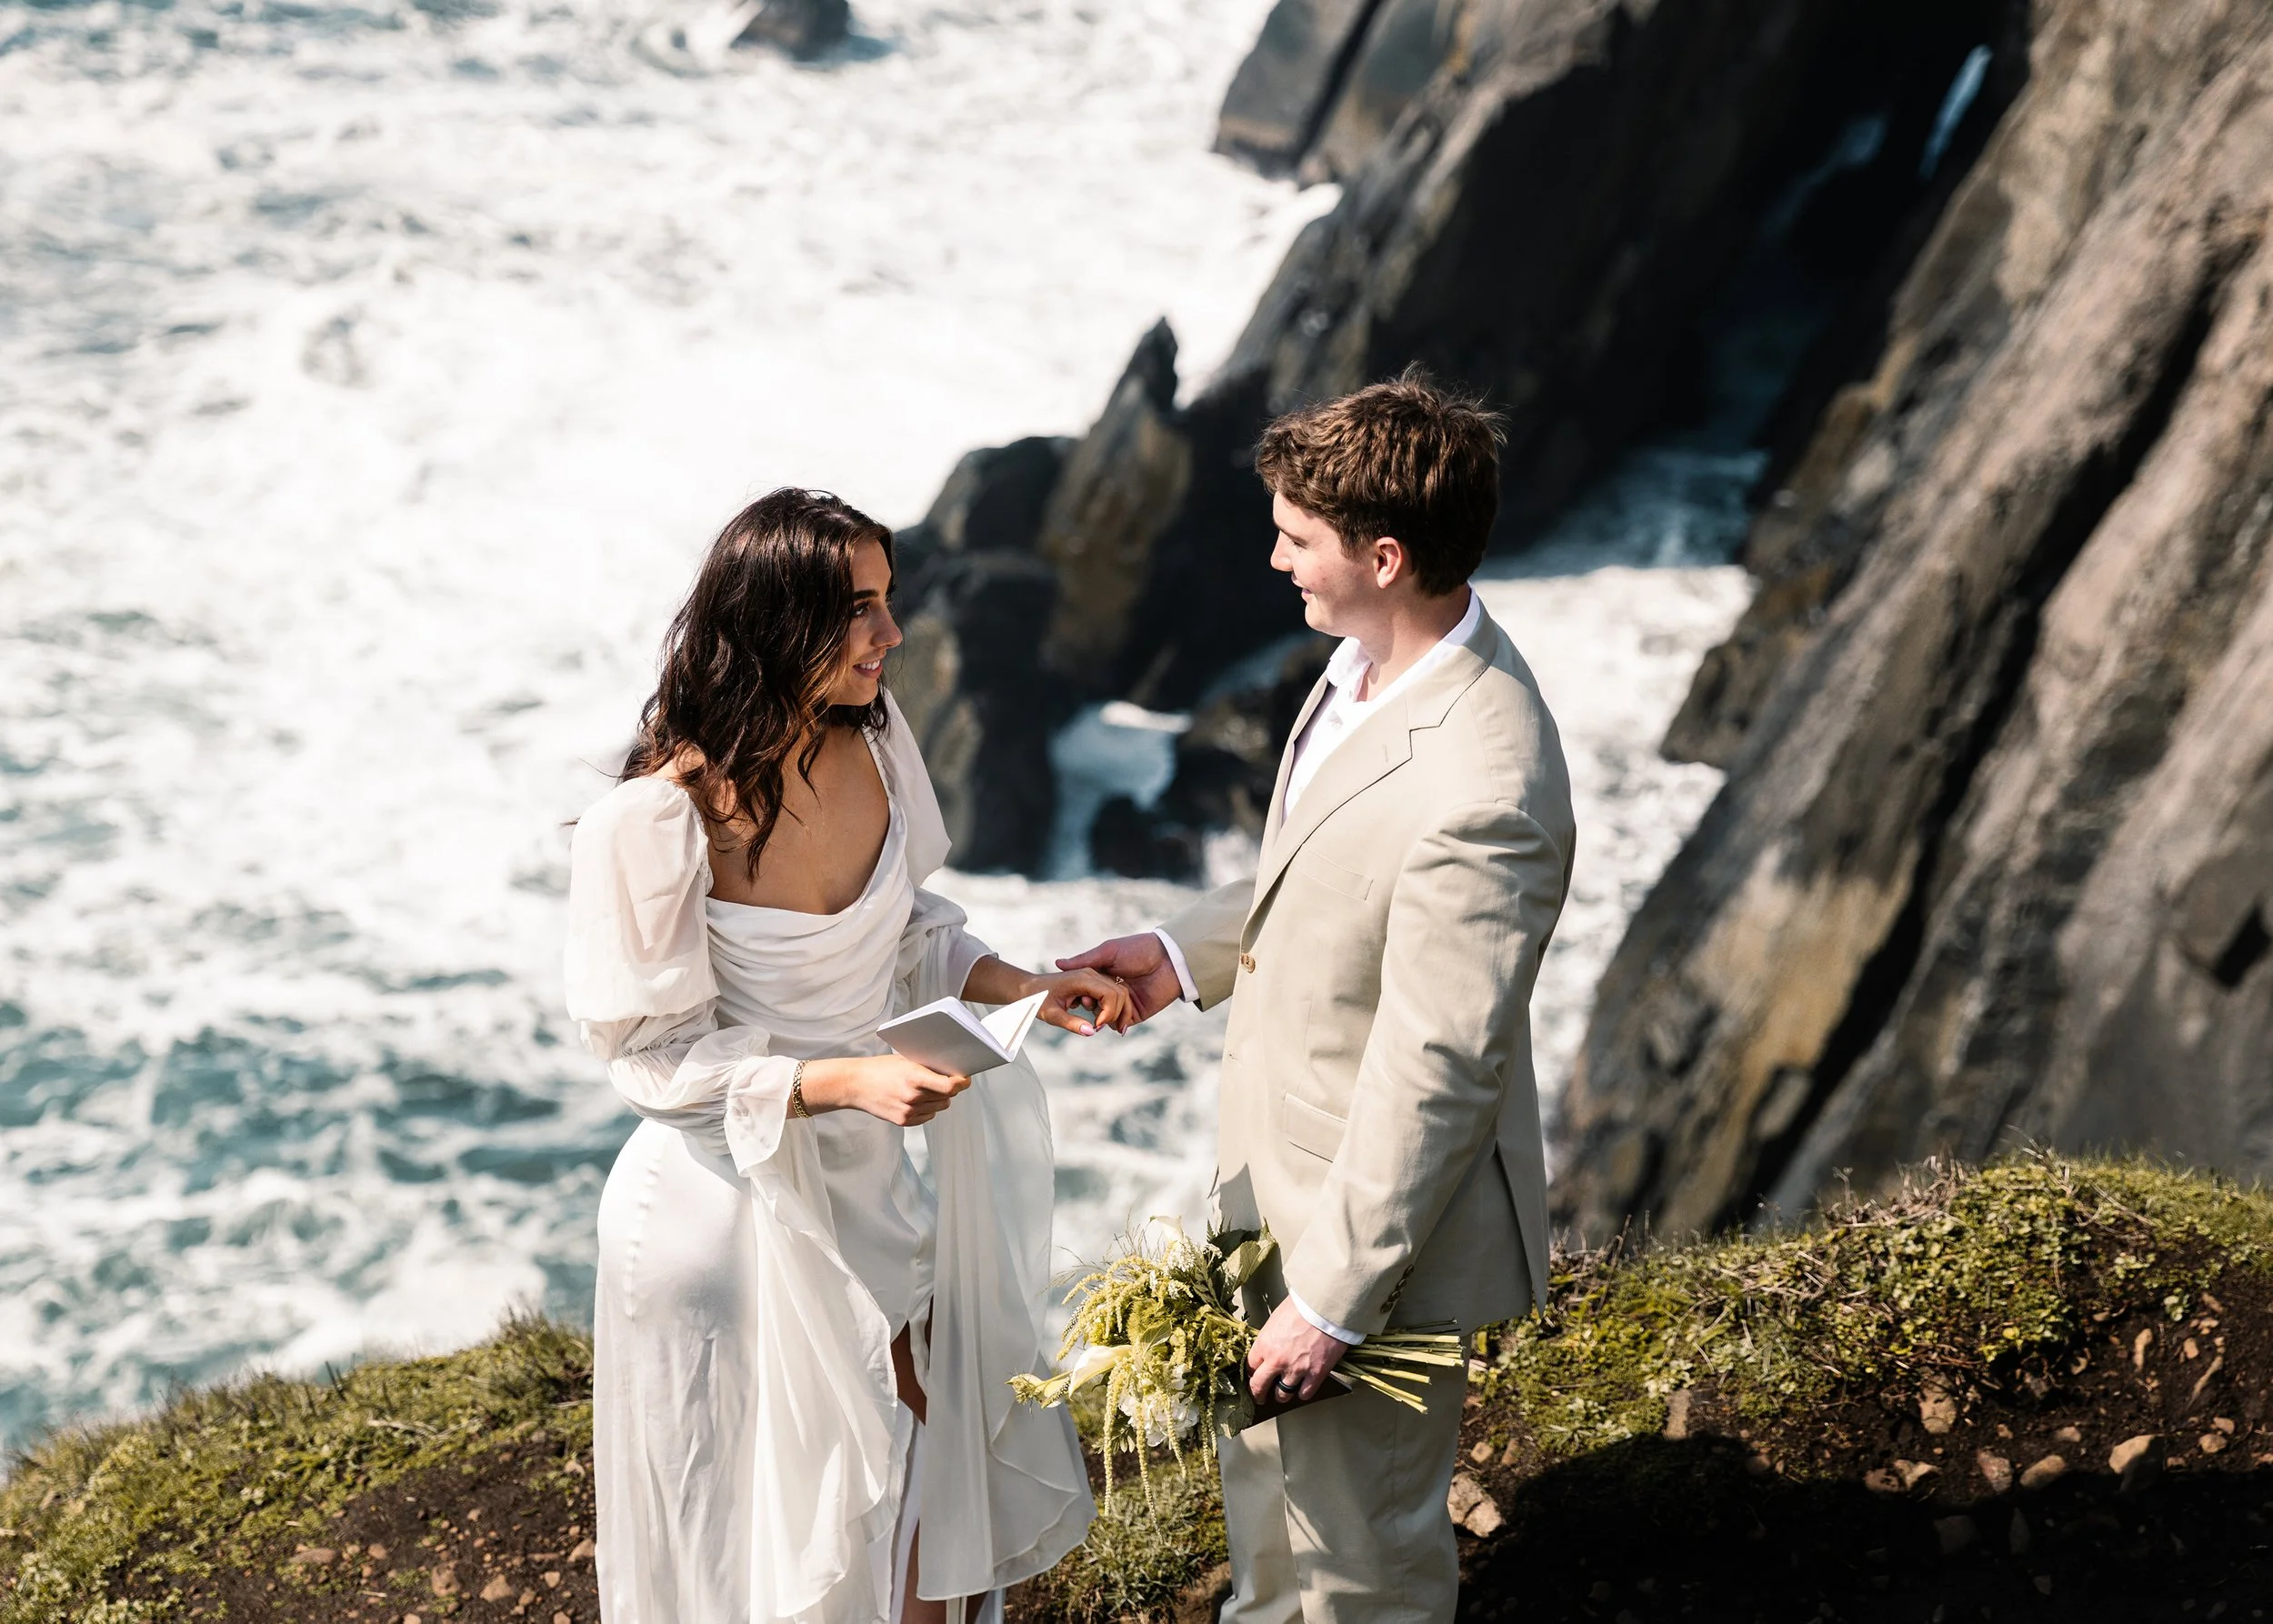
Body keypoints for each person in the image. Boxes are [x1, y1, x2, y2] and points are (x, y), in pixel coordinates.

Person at [1060, 375, 1574, 1624]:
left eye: (1299, 537)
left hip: (1366, 1237)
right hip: (1277, 1194)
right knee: (1273, 1546)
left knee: (1361, 1573)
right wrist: (1184, 953)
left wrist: (1335, 1297)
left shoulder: (1485, 776)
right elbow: (1325, 878)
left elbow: (1438, 1065)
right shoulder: (1362, 667)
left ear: (1384, 556)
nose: (1276, 555)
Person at [564, 488, 1119, 1624]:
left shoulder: (875, 745)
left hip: (868, 1189)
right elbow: (651, 1060)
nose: (891, 634)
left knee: (919, 1476)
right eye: (857, 609)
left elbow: (908, 931)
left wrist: (1026, 985)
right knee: (737, 1532)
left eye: (887, 600)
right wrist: (845, 1081)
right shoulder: (655, 821)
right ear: (775, 623)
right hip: (717, 1219)